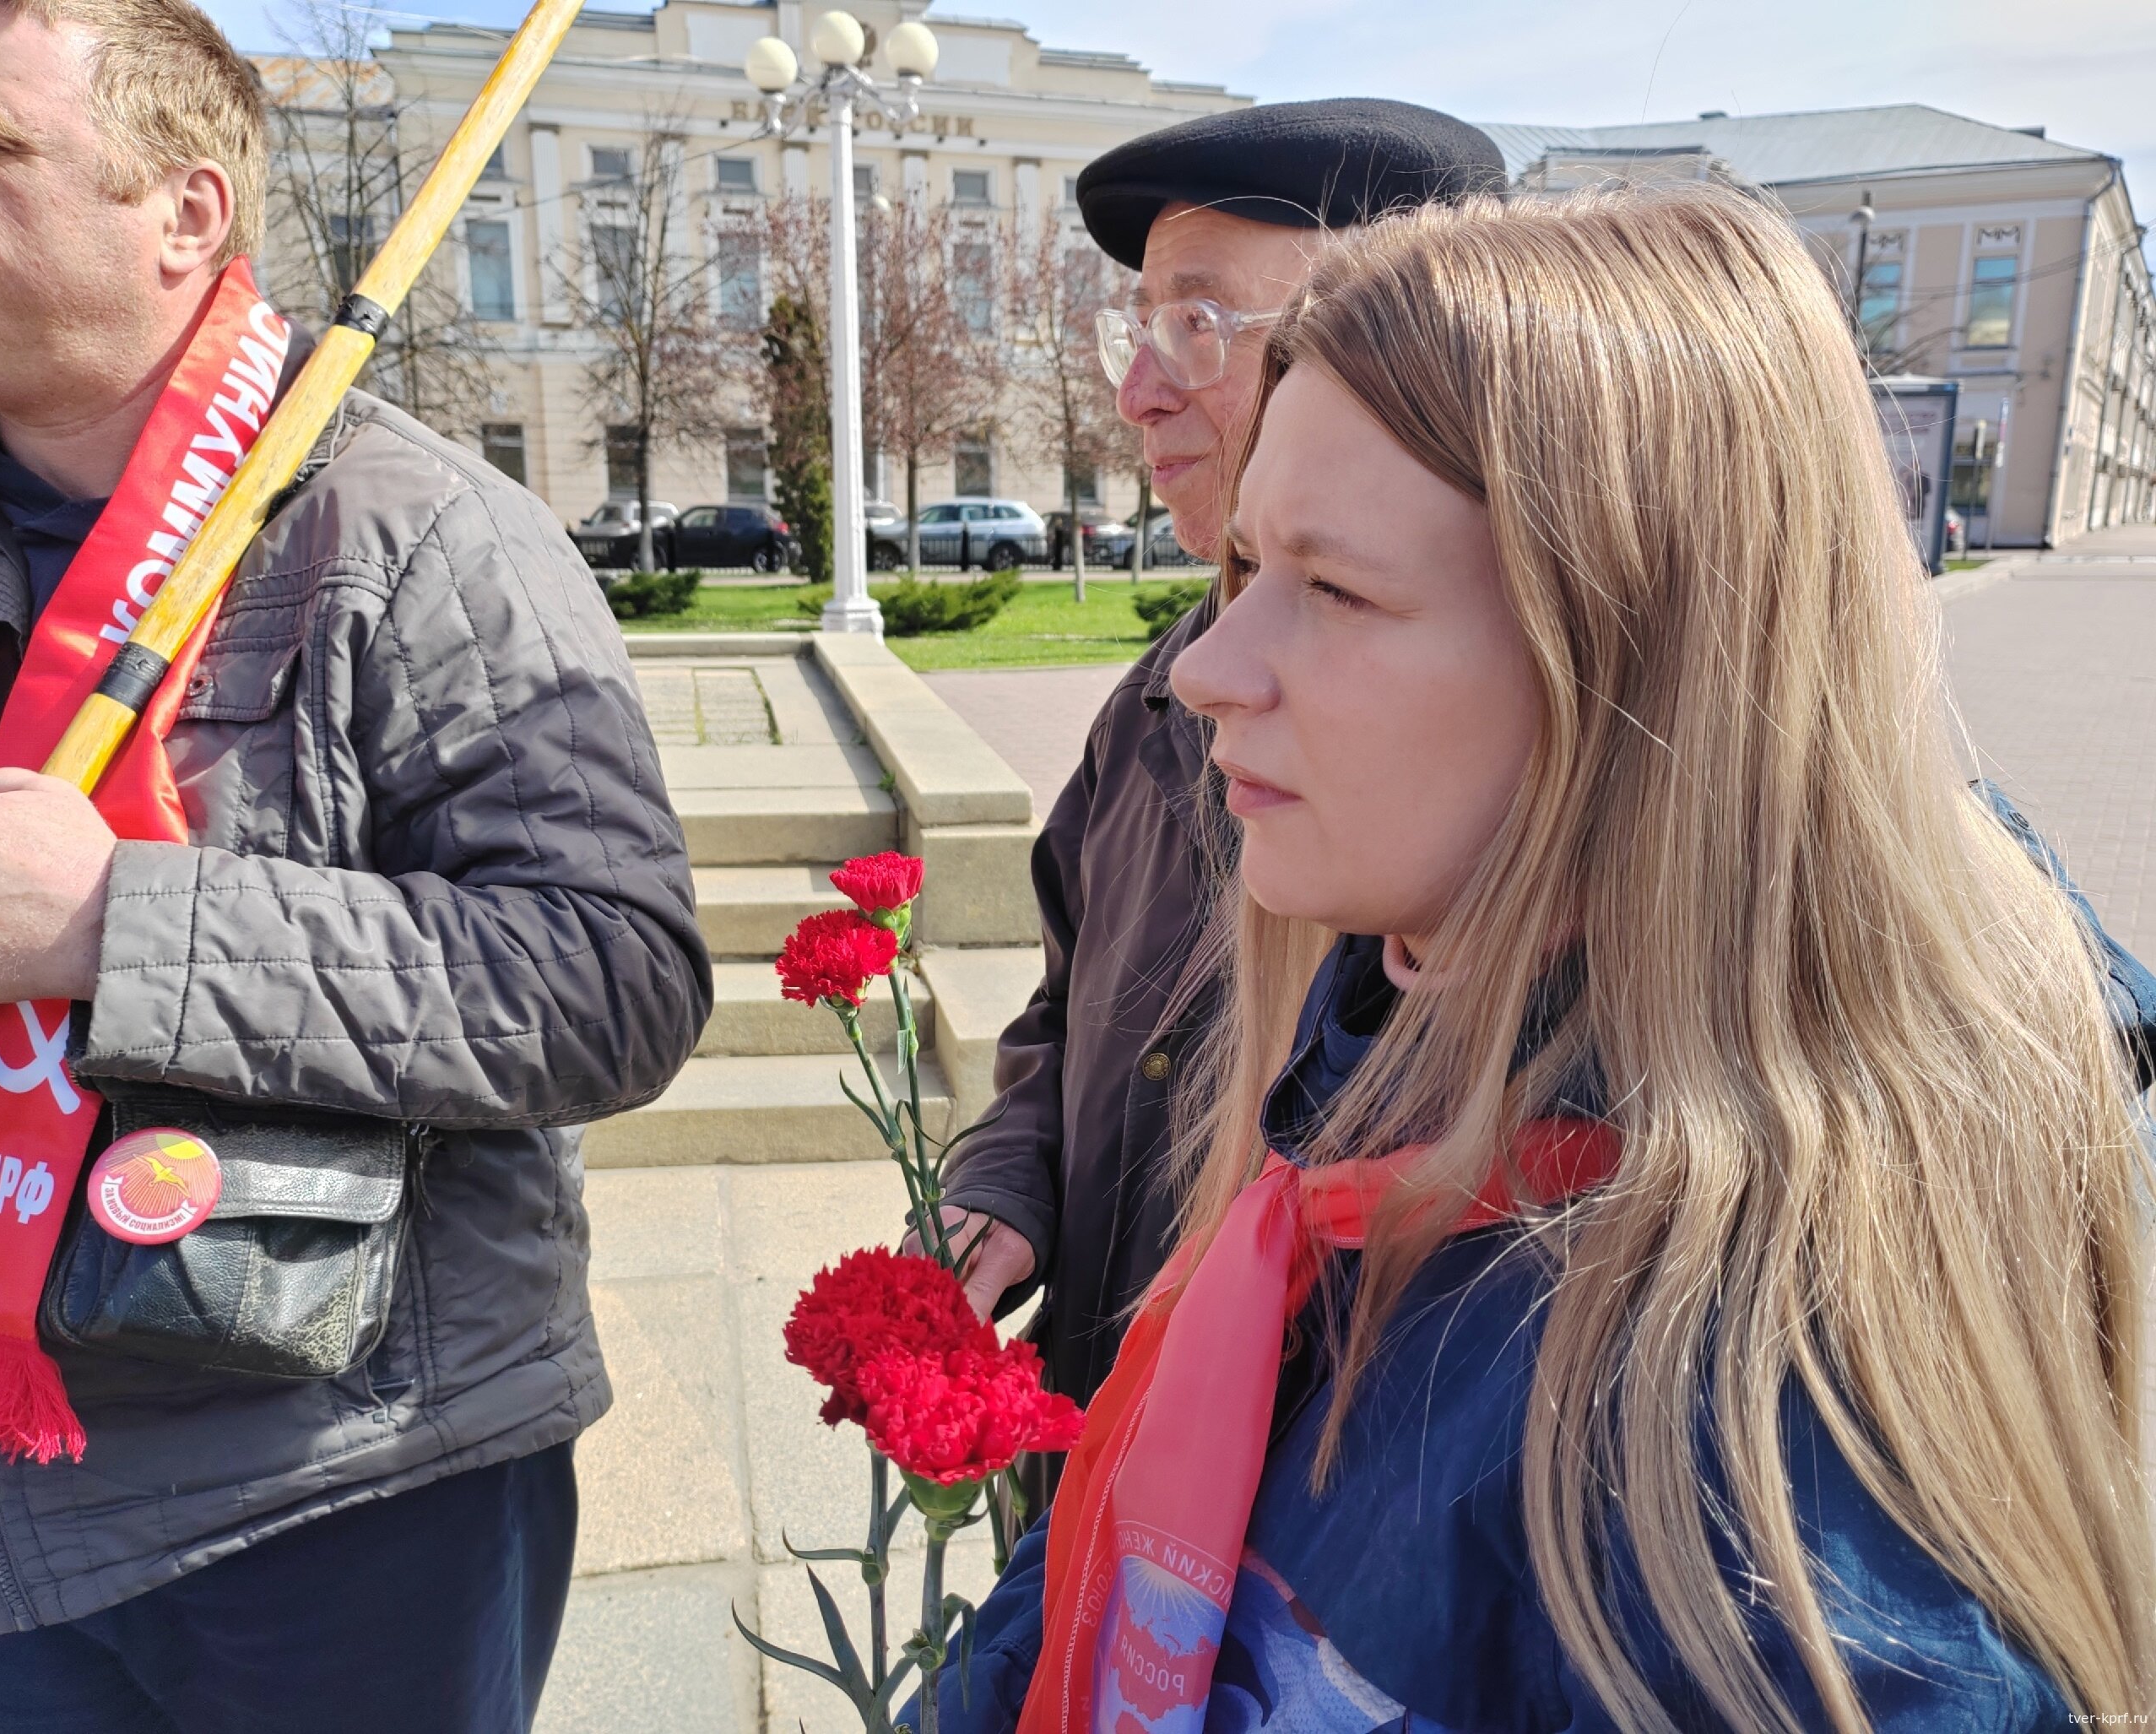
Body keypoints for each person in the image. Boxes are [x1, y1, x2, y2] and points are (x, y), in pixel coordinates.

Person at [918, 186, 2156, 1730]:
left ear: (1635, 666)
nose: (1213, 668)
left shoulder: (1743, 1492)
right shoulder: (1367, 1061)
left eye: (1336, 588)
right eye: (1241, 571)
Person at [0, 2, 711, 1729]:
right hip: (28, 1510)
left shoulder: (421, 528)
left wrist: (115, 923)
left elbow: (612, 974)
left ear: (185, 213)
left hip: (337, 1493)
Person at [928, 100, 1514, 1415]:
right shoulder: (1150, 705)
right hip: (1100, 1438)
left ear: (1396, 333)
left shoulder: (1494, 773)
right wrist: (1006, 1187)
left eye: (1197, 323)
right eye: (1137, 330)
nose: (1137, 392)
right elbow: (1065, 1014)